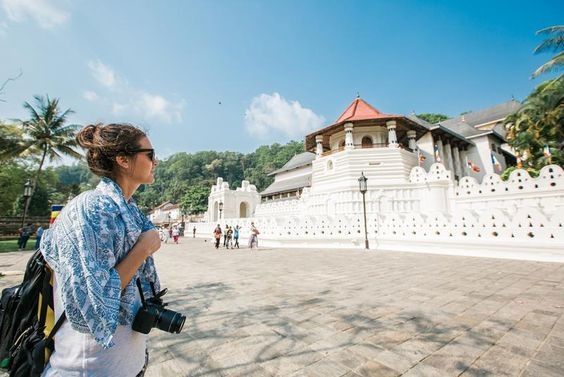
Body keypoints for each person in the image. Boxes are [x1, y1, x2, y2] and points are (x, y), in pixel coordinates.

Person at [39, 123, 161, 376]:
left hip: (126, 363)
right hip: (87, 367)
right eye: (150, 154)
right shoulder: (90, 209)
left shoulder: (130, 212)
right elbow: (95, 300)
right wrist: (143, 249)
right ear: (123, 160)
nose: (156, 161)